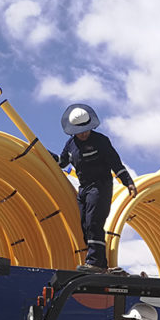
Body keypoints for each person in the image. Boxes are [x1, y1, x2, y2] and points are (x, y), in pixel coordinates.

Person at [55, 103, 137, 272]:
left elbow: (115, 163)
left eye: (87, 129)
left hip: (100, 186)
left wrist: (128, 181)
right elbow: (61, 163)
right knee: (85, 224)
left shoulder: (101, 141)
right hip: (83, 188)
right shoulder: (70, 145)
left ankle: (95, 263)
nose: (84, 133)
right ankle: (99, 264)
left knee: (94, 221)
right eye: (80, 131)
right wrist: (42, 153)